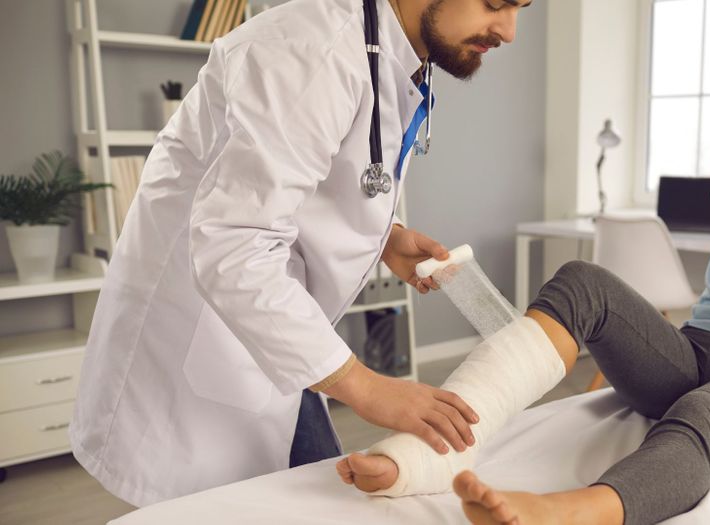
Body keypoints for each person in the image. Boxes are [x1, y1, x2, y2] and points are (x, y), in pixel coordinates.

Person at [338, 10, 710, 524]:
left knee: (700, 414)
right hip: (699, 349)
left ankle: (571, 512)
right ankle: (440, 448)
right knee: (579, 281)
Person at [70, 0, 532, 507]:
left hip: (277, 338)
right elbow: (234, 247)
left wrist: (388, 235)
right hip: (198, 336)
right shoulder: (311, 52)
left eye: (520, 8)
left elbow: (320, 175)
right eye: (496, 3)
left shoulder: (389, 53)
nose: (509, 31)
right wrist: (366, 386)